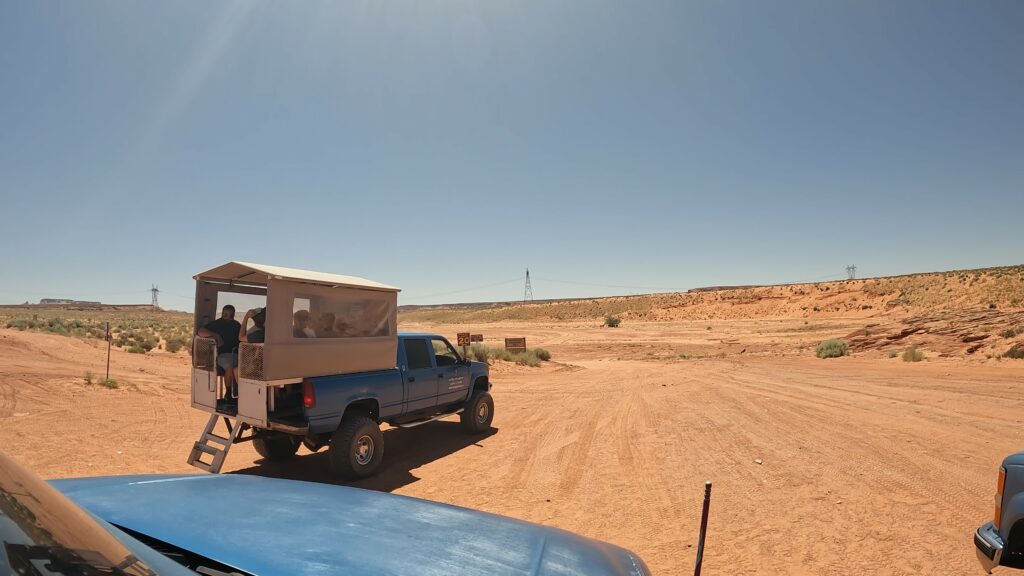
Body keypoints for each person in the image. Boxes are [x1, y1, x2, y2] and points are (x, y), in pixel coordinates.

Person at [196, 305, 241, 397]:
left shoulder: (237, 325)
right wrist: (215, 335)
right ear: (223, 313)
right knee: (230, 366)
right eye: (226, 314)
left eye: (230, 314)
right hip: (222, 355)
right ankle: (228, 393)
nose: (228, 316)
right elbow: (200, 332)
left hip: (237, 355)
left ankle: (241, 394)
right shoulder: (216, 324)